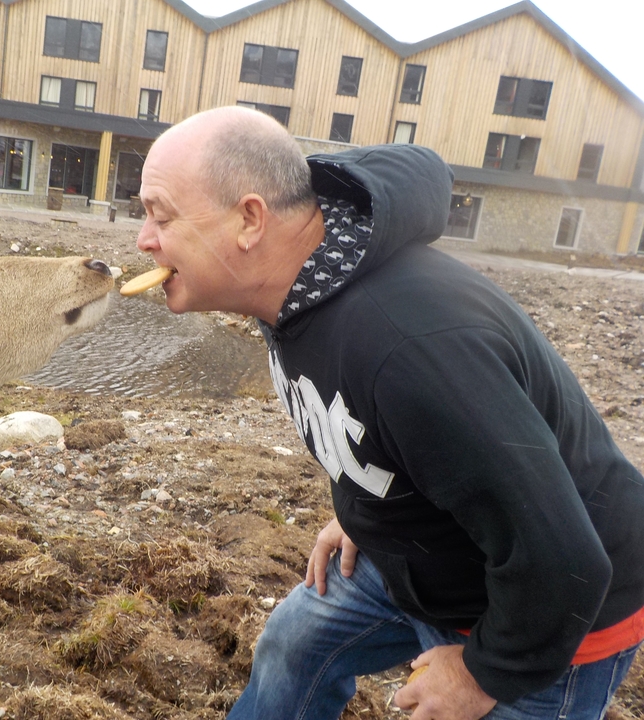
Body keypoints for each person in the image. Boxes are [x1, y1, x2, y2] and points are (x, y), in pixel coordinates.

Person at [135, 105, 644, 720]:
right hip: (429, 557)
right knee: (297, 642)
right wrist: (368, 504)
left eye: (160, 216)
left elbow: (566, 560)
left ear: (249, 220)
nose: (144, 241)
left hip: (554, 606)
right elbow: (379, 427)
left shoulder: (409, 349)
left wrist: (485, 674)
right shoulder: (291, 277)